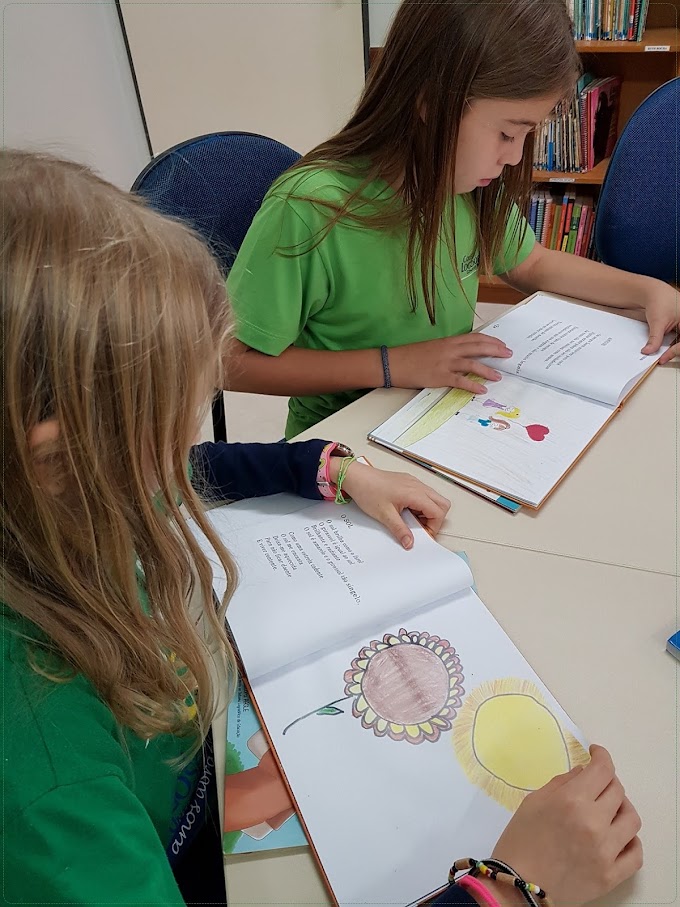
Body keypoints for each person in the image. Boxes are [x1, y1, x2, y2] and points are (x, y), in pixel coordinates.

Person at [1, 150, 641, 907]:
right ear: (58, 459)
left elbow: (201, 467)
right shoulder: (47, 778)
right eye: (164, 436)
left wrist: (332, 468)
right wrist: (506, 891)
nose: (179, 467)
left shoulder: (54, 511)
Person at [225, 0, 680, 439]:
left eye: (526, 135)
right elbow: (227, 363)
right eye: (506, 132)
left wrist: (647, 291)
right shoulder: (310, 208)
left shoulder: (465, 182)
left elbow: (531, 264)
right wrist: (392, 365)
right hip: (341, 447)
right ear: (429, 101)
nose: (515, 156)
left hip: (441, 416)